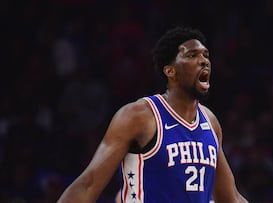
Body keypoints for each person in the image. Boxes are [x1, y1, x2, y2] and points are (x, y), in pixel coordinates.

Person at [57, 26, 248, 203]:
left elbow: (230, 198)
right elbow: (88, 184)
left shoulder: (210, 122)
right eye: (192, 55)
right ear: (170, 71)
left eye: (206, 55)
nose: (204, 60)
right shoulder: (139, 116)